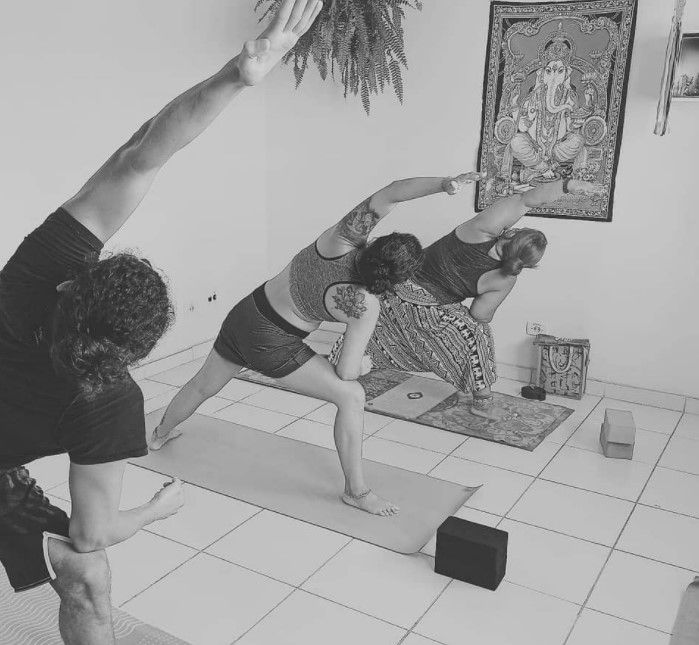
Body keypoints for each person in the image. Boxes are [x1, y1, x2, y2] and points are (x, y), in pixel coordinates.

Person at [0, 2, 323, 643]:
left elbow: (138, 158)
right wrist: (154, 510)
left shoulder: (40, 274)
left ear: (71, 284)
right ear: (133, 352)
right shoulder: (110, 400)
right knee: (87, 576)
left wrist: (235, 77)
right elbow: (93, 534)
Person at [149, 181, 425, 516]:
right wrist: (364, 366)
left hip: (246, 312)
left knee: (203, 385)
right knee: (352, 395)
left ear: (376, 242)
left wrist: (444, 184)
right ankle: (357, 492)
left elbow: (393, 191)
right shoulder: (365, 305)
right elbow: (346, 372)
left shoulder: (340, 239)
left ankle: (160, 434)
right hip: (272, 342)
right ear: (399, 280)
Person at [329, 174, 603, 419]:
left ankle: (346, 360)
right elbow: (480, 315)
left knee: (379, 320)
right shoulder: (505, 279)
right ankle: (482, 400)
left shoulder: (482, 229)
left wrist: (568, 185)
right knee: (476, 333)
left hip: (390, 290)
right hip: (426, 312)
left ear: (512, 232)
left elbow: (527, 199)